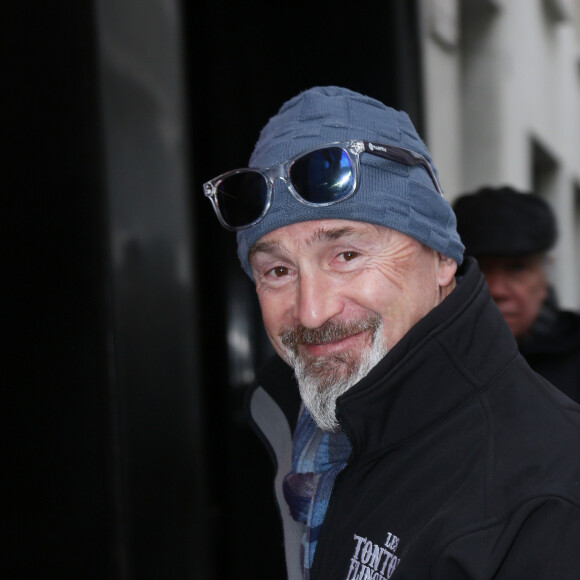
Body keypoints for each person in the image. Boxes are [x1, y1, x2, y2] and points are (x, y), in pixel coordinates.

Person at [203, 86, 580, 579]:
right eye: (277, 271)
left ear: (442, 257)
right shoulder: (296, 427)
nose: (312, 312)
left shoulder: (553, 493)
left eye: (347, 256)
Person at [453, 186, 580, 403]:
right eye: (479, 269)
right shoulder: (425, 358)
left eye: (516, 269)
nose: (497, 289)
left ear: (545, 275)